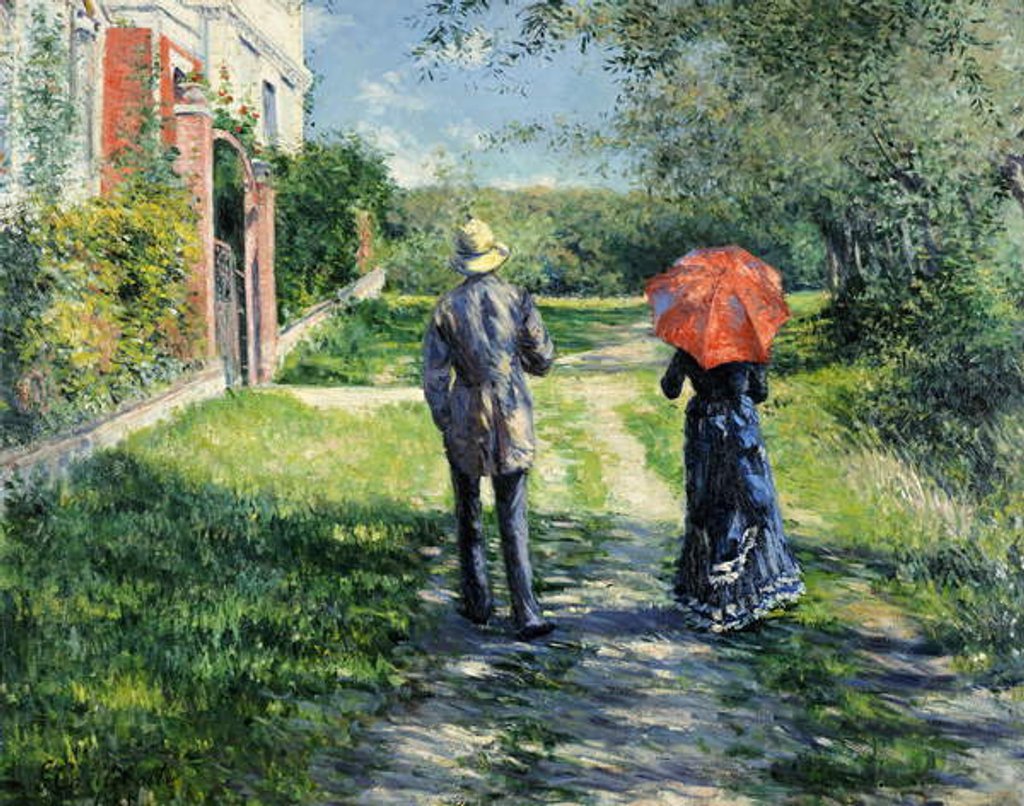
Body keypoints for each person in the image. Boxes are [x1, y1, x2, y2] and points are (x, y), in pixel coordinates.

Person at [423, 217, 556, 641]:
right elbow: (543, 360)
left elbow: (434, 373)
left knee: (468, 511)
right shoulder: (518, 299)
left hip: (465, 410)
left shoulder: (446, 307)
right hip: (511, 410)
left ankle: (477, 601)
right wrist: (517, 358)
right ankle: (526, 611)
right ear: (494, 258)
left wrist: (444, 416)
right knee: (512, 512)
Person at [660, 349, 803, 632]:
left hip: (705, 426)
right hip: (740, 426)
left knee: (709, 501)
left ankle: (711, 594)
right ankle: (752, 590)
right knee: (747, 500)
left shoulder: (691, 346)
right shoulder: (747, 348)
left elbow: (670, 389)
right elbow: (760, 393)